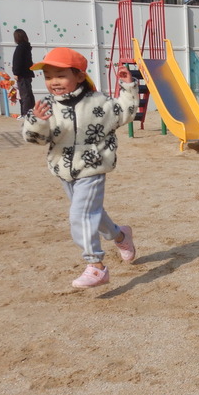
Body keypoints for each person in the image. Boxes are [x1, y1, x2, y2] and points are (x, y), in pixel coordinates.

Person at [22, 47, 139, 289]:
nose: (54, 82)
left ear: (79, 75)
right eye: (48, 76)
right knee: (92, 214)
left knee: (81, 214)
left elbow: (123, 113)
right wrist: (37, 122)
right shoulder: (47, 105)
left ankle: (95, 266)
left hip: (92, 166)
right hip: (64, 170)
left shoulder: (98, 102)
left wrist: (128, 88)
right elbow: (36, 139)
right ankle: (120, 236)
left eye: (60, 75)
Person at [11, 28, 35, 117]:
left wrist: (16, 72)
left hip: (22, 74)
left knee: (24, 94)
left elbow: (17, 61)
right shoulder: (27, 47)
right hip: (28, 73)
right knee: (28, 93)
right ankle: (31, 111)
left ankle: (26, 113)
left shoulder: (20, 48)